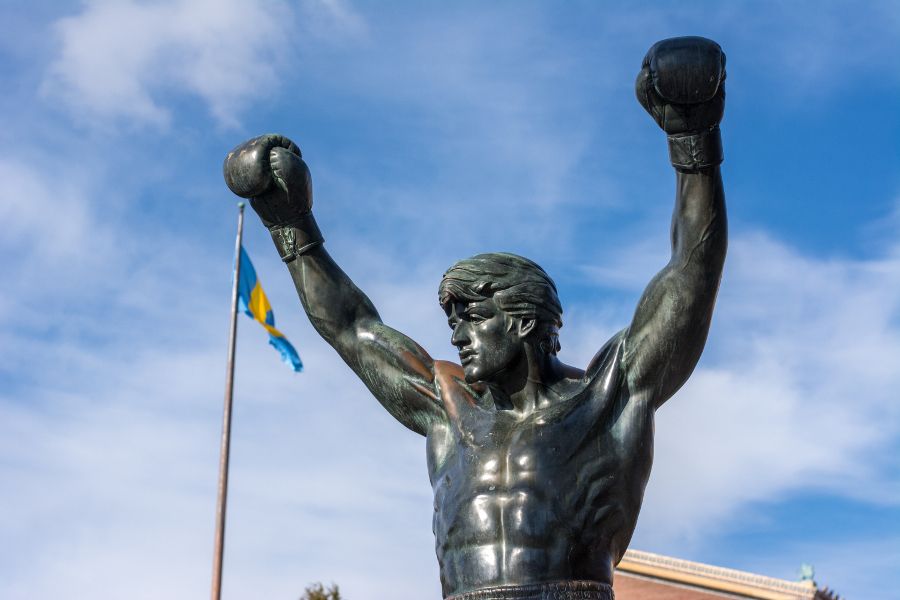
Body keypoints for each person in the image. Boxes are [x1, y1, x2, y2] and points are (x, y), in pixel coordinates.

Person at [224, 36, 728, 600]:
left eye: (472, 317)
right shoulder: (449, 407)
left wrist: (693, 139)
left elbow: (691, 274)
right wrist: (290, 227)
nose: (457, 336)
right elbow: (352, 328)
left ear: (523, 320)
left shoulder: (609, 396)